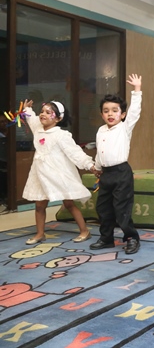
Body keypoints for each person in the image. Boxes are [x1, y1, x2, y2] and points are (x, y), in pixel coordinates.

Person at [21, 99, 96, 245]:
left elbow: (75, 152)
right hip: (40, 173)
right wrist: (27, 110)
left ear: (58, 118)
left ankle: (84, 231)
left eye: (48, 113)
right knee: (39, 205)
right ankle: (40, 233)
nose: (43, 114)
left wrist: (89, 165)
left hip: (58, 173)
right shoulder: (38, 129)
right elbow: (32, 120)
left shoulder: (62, 135)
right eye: (42, 111)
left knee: (69, 204)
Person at [90, 74, 143, 255]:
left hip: (121, 172)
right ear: (101, 114)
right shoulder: (100, 130)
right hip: (106, 173)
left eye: (114, 110)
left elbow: (135, 111)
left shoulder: (124, 128)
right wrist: (97, 168)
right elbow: (100, 150)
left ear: (123, 114)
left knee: (122, 208)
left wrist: (137, 90)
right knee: (103, 208)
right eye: (106, 111)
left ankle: (131, 238)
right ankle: (106, 238)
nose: (110, 114)